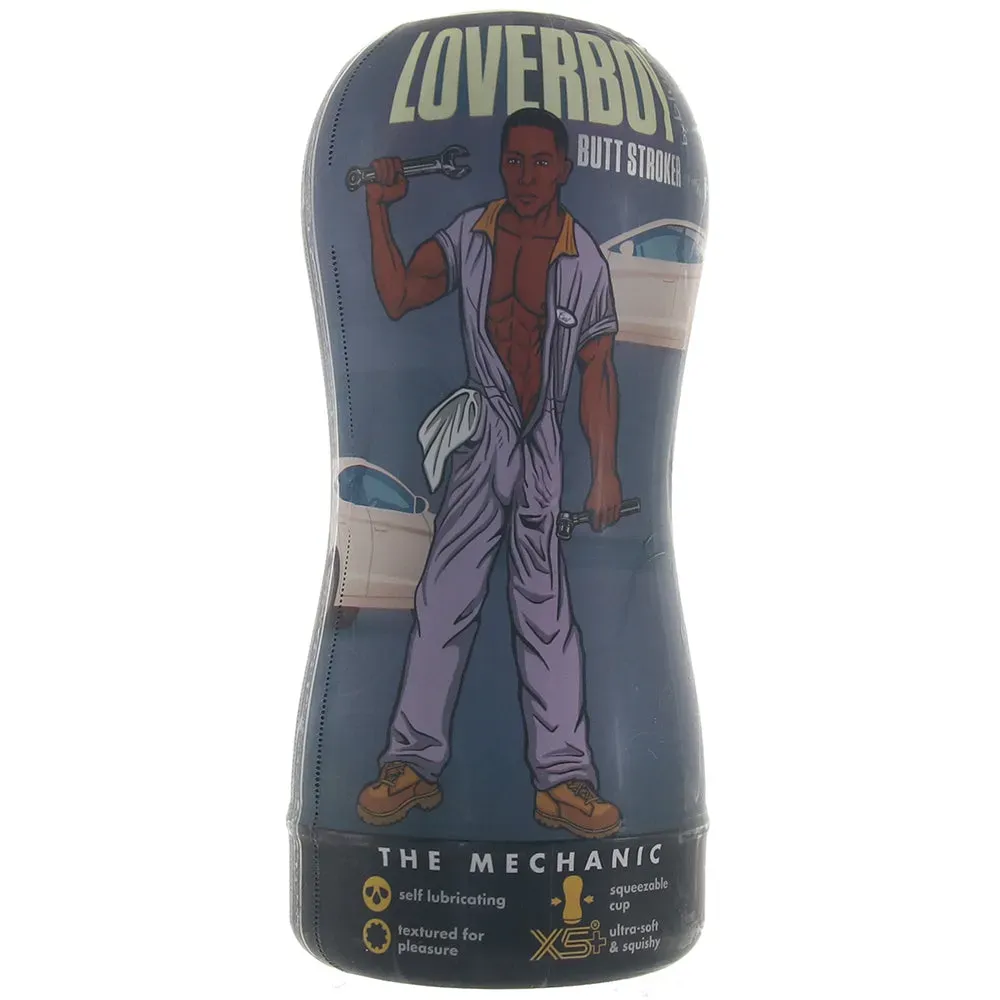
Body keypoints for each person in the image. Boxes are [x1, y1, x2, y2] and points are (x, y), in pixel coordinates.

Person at [356, 108, 624, 839]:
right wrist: (379, 212)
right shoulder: (470, 234)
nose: (526, 176)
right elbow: (399, 295)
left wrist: (604, 472)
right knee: (443, 597)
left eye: (540, 162)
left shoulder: (584, 260)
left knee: (546, 612)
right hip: (484, 432)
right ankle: (409, 764)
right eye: (514, 161)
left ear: (564, 168)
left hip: (542, 441)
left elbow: (598, 368)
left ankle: (564, 780)